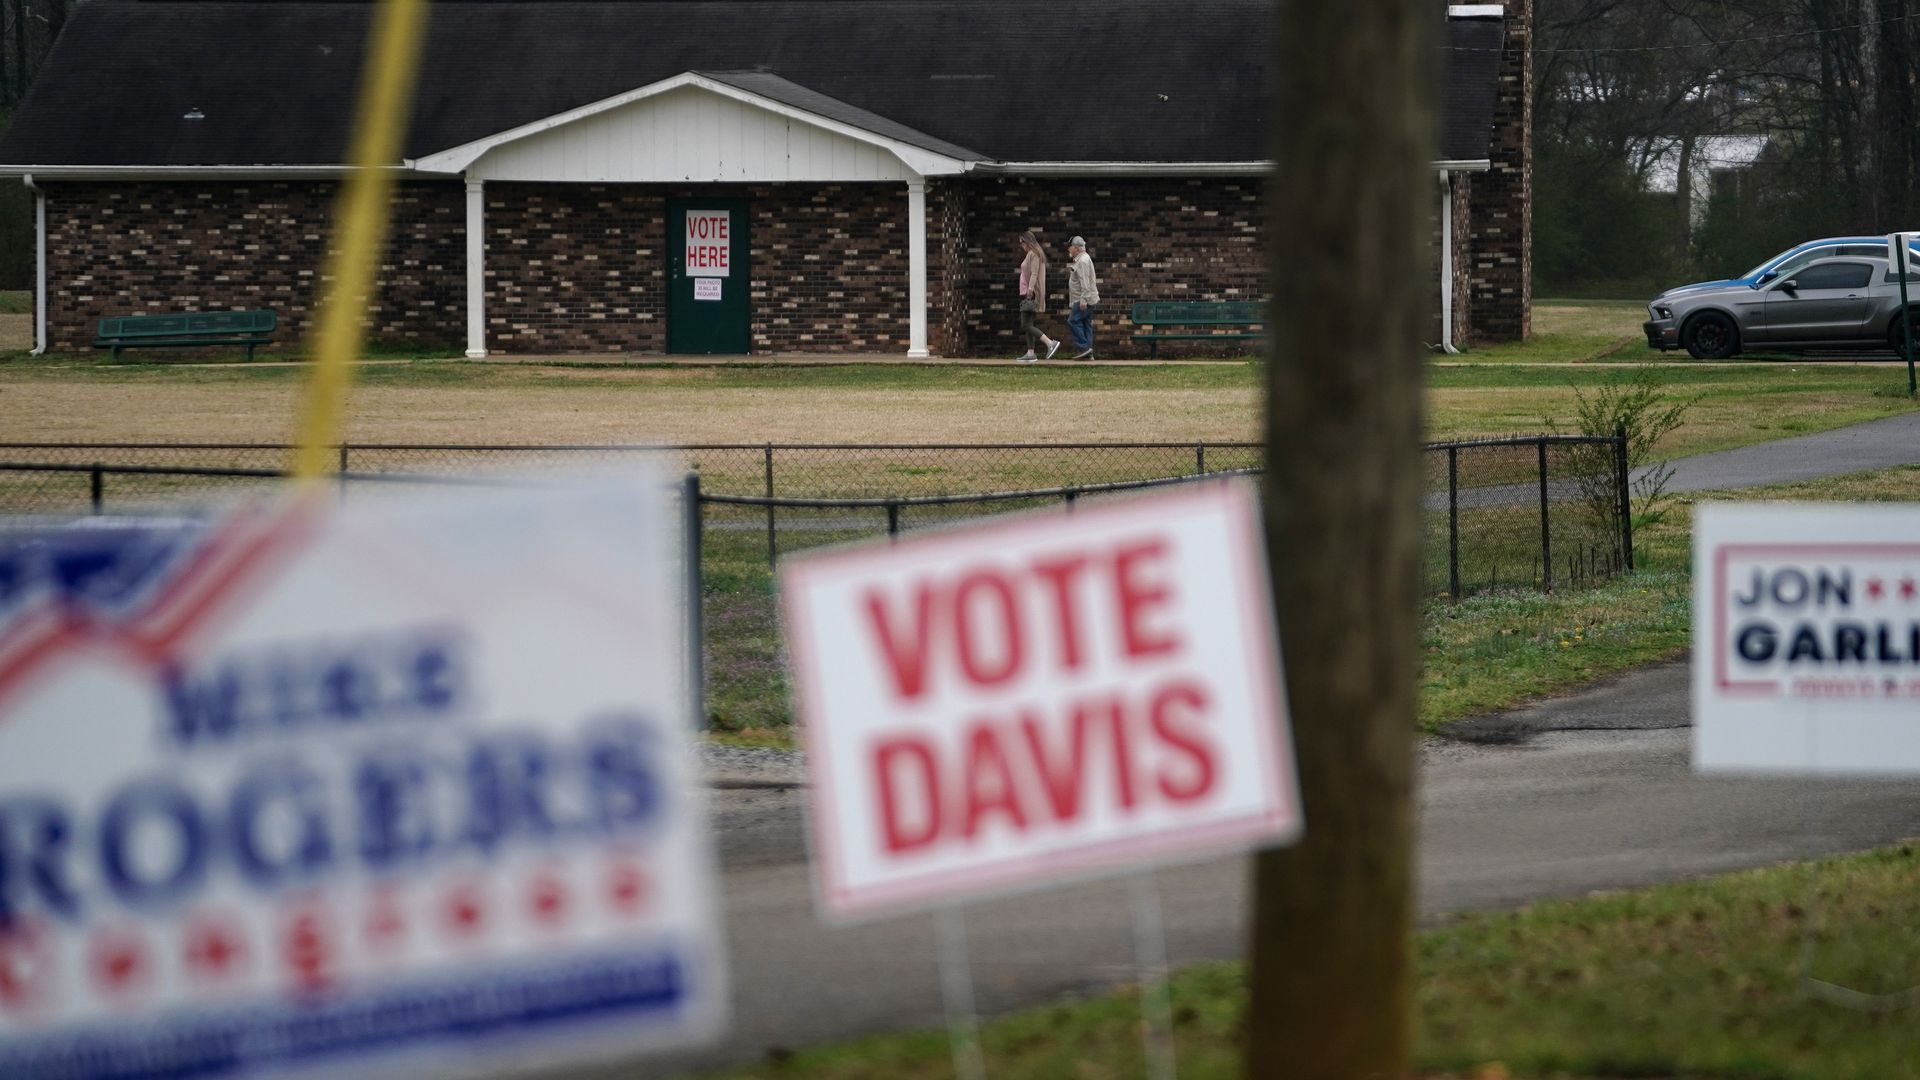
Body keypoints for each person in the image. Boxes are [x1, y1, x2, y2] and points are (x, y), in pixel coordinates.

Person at [1015, 231, 1061, 362]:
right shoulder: (1032, 254)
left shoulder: (1034, 254)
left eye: (1022, 242)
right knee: (1029, 324)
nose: (1021, 245)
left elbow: (1034, 274)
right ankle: (1030, 353)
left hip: (1029, 294)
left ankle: (1050, 343)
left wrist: (1029, 291)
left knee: (1025, 325)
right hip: (1026, 292)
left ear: (1027, 241)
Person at [1064, 236, 1100, 359]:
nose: (1068, 249)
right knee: (1086, 323)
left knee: (1073, 321)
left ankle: (1084, 348)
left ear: (1076, 248)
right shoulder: (1083, 259)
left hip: (1083, 299)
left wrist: (1083, 300)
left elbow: (1085, 282)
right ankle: (1089, 354)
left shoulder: (1083, 261)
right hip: (1087, 298)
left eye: (1070, 247)